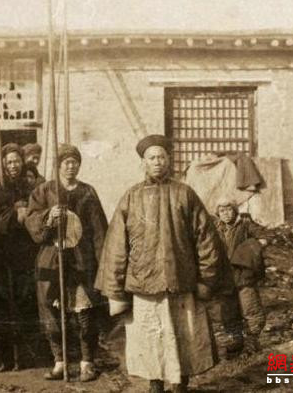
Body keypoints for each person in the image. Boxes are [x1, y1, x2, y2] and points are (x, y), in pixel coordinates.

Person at [95, 135, 224, 393]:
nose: (157, 162)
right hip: (144, 285)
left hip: (181, 282)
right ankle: (155, 384)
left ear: (169, 160)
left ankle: (180, 385)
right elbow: (116, 246)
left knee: (183, 338)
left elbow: (206, 240)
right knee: (149, 339)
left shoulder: (185, 194)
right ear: (143, 162)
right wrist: (115, 288)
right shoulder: (131, 197)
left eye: (162, 157)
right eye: (152, 158)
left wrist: (206, 279)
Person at [25, 144, 108, 382]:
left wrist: (101, 261)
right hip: (52, 259)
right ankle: (59, 361)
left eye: (75, 162)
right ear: (58, 165)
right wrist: (47, 217)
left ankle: (87, 362)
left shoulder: (88, 192)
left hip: (81, 260)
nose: (71, 167)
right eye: (66, 162)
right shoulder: (44, 191)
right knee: (51, 312)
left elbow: (99, 230)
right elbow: (31, 222)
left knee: (85, 313)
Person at [0, 143, 38, 370]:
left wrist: (24, 210)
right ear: (2, 163)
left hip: (22, 252)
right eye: (9, 162)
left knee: (23, 299)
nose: (13, 166)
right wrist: (14, 212)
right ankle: (3, 356)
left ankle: (23, 354)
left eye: (17, 161)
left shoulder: (26, 185)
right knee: (1, 301)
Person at [214, 199, 266, 354]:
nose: (226, 214)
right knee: (229, 310)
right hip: (225, 276)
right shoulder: (216, 229)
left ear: (235, 210)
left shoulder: (244, 224)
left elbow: (263, 237)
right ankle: (236, 339)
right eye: (222, 211)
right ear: (218, 213)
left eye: (229, 209)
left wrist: (250, 252)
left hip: (243, 274)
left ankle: (252, 341)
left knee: (250, 307)